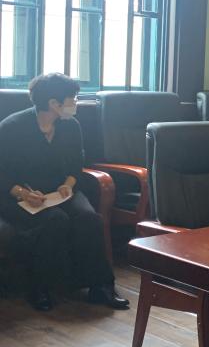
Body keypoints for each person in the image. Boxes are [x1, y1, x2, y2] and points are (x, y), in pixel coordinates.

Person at [0, 73, 129, 312]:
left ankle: (101, 286)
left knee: (89, 218)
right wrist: (22, 193)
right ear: (53, 103)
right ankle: (40, 287)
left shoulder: (70, 126)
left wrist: (68, 184)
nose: (75, 103)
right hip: (18, 196)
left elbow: (76, 165)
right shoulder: (12, 127)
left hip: (59, 191)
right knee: (54, 220)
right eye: (72, 99)